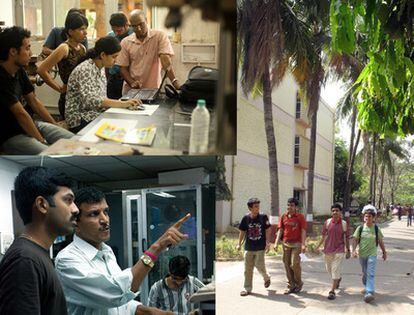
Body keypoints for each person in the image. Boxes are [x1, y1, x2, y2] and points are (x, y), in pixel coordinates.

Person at [55, 187, 190, 314]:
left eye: (106, 212)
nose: (104, 220)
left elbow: (119, 304)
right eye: (94, 214)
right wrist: (156, 248)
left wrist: (150, 312)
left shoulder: (106, 251)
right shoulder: (67, 260)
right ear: (76, 224)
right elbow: (115, 294)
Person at [0, 167, 79, 314]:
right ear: (42, 205)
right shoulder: (24, 259)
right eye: (68, 200)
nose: (75, 209)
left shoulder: (35, 254)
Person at [0, 26, 74, 154]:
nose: (31, 53)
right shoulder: (1, 78)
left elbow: (33, 101)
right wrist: (42, 141)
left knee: (74, 142)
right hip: (11, 136)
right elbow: (20, 113)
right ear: (13, 51)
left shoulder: (19, 70)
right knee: (52, 156)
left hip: (32, 124)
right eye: (27, 48)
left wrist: (54, 124)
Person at [65, 36, 141, 133]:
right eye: (114, 57)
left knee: (126, 120)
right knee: (120, 129)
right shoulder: (85, 69)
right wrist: (122, 104)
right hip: (80, 119)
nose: (116, 61)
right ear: (103, 55)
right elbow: (91, 101)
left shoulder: (100, 68)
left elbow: (101, 98)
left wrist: (123, 104)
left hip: (95, 113)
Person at [117, 10, 181, 95]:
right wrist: (132, 82)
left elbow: (165, 59)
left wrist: (174, 80)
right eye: (134, 26)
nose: (138, 29)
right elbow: (122, 68)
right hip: (131, 92)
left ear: (146, 20)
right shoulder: (125, 42)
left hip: (153, 90)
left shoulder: (159, 36)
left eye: (141, 24)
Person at [37, 12, 88, 120]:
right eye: (81, 29)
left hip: (81, 97)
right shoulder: (64, 48)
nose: (85, 32)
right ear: (70, 31)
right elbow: (42, 70)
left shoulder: (82, 48)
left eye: (86, 29)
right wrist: (59, 88)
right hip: (68, 99)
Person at [236, 197, 271, 296]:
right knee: (247, 269)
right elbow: (242, 232)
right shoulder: (246, 218)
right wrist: (239, 243)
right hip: (248, 247)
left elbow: (268, 229)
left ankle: (266, 277)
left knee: (260, 266)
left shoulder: (263, 217)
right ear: (250, 208)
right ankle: (247, 288)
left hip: (260, 247)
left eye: (258, 206)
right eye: (255, 206)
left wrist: (268, 242)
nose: (258, 208)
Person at [315, 203, 350, 300]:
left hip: (339, 250)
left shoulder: (344, 224)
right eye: (333, 211)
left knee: (334, 270)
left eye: (337, 211)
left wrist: (348, 250)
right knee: (329, 270)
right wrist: (317, 246)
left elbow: (347, 238)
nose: (335, 212)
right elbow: (323, 236)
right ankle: (337, 279)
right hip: (328, 250)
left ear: (340, 212)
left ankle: (332, 291)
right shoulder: (327, 222)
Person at [352, 207, 387, 303]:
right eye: (366, 216)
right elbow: (355, 240)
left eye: (370, 216)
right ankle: (367, 285)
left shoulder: (376, 229)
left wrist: (384, 252)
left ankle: (369, 292)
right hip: (362, 254)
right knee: (365, 273)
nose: (368, 218)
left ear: (373, 218)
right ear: (364, 217)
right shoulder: (360, 228)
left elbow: (380, 241)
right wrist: (353, 250)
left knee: (370, 273)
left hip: (372, 254)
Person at [274, 197, 307, 294]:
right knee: (287, 264)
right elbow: (280, 230)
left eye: (292, 205)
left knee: (295, 264)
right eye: (288, 205)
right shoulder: (284, 216)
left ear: (296, 207)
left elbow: (303, 230)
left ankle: (299, 283)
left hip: (297, 244)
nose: (289, 207)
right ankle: (291, 285)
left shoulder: (300, 217)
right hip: (285, 243)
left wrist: (303, 244)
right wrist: (276, 242)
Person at [106, 12, 133, 99]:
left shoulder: (134, 35)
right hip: (113, 78)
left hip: (129, 78)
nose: (116, 33)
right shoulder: (110, 36)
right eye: (114, 30)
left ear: (126, 25)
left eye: (119, 30)